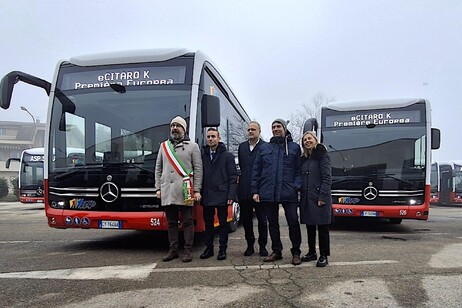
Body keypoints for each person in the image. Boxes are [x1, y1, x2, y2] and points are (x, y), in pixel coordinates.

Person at [251, 119, 303, 266]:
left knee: (293, 222)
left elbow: (298, 171)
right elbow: (256, 170)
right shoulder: (265, 148)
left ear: (285, 129)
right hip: (268, 192)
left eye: (278, 126)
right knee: (272, 223)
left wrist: (295, 186)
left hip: (288, 192)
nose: (276, 129)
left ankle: (296, 252)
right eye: (273, 127)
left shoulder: (294, 148)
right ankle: (276, 251)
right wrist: (255, 190)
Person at [155, 116, 203, 263]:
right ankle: (173, 250)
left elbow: (198, 169)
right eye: (173, 125)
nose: (175, 128)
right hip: (168, 190)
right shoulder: (163, 146)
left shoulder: (193, 146)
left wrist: (197, 190)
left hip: (185, 190)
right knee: (171, 222)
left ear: (184, 129)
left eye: (178, 126)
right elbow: (158, 168)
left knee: (188, 221)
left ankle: (188, 250)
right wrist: (158, 188)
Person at [200, 127, 238, 261]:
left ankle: (222, 249)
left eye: (213, 136)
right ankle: (209, 249)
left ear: (218, 138)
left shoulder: (227, 156)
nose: (210, 139)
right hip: (207, 195)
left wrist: (231, 196)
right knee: (208, 224)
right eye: (208, 137)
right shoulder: (202, 154)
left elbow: (233, 177)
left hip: (223, 195)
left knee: (223, 224)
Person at [299, 131, 332, 267]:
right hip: (307, 197)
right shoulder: (304, 158)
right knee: (310, 226)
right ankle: (312, 252)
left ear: (315, 139)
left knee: (322, 227)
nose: (307, 141)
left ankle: (324, 255)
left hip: (319, 197)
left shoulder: (322, 155)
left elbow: (327, 177)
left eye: (309, 138)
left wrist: (322, 196)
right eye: (305, 139)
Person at [238, 121, 268, 257]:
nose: (250, 132)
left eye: (253, 129)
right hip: (244, 190)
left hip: (260, 190)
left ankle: (263, 246)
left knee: (262, 220)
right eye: (249, 129)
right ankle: (250, 245)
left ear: (259, 131)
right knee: (246, 220)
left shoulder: (265, 147)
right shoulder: (242, 147)